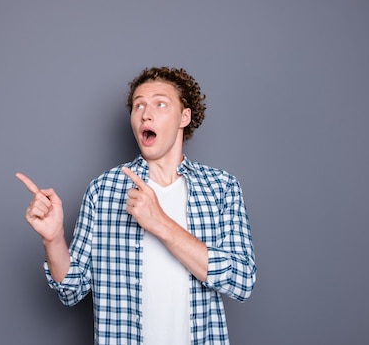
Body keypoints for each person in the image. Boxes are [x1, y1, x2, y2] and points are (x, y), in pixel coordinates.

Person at [16, 66, 256, 345]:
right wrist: (54, 239)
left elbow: (241, 280)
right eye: (138, 105)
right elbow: (72, 290)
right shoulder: (104, 190)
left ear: (184, 117)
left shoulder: (221, 187)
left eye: (160, 103)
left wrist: (160, 223)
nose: (146, 113)